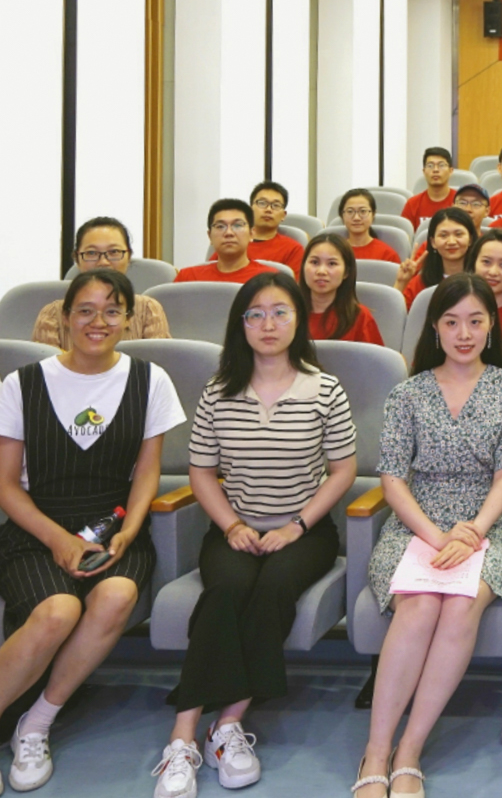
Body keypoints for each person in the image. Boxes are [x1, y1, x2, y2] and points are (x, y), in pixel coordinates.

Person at [0, 269, 185, 798]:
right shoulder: (23, 383)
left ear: (128, 319)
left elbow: (147, 473)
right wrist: (58, 539)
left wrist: (130, 529)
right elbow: (4, 485)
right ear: (64, 318)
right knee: (58, 611)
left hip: (113, 527)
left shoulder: (150, 379)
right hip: (37, 526)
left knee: (116, 595)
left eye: (112, 311)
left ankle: (36, 724)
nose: (98, 322)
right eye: (85, 310)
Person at [156, 275, 357, 798]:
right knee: (225, 589)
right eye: (256, 314)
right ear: (240, 324)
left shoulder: (324, 389)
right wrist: (233, 525)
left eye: (281, 312)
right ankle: (183, 735)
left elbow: (342, 470)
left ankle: (227, 726)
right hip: (235, 526)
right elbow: (202, 472)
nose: (269, 324)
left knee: (271, 589)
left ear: (299, 321)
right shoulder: (218, 391)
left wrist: (296, 526)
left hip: (305, 531)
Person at [357, 277, 502, 798]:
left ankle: (410, 751)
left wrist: (473, 531)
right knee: (418, 606)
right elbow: (393, 480)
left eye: (475, 321)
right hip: (416, 525)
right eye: (452, 322)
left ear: (491, 325)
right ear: (434, 327)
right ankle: (376, 751)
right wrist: (437, 536)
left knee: (459, 606)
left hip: (484, 528)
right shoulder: (408, 392)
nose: (464, 333)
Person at [32, 219, 169, 347]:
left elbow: (157, 360)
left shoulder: (148, 310)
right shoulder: (53, 314)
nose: (103, 262)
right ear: (77, 259)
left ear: (129, 257)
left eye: (114, 252)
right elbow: (48, 363)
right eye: (91, 253)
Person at [302, 232, 385, 345]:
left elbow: (374, 356)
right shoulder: (288, 313)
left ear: (346, 272)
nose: (321, 271)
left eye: (332, 264)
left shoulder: (360, 317)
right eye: (314, 262)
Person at [175, 200, 275, 285]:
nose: (229, 233)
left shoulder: (269, 279)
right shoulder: (188, 277)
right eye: (220, 226)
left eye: (237, 225)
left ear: (251, 233)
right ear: (210, 236)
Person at [398, 209, 478, 308]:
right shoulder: (420, 282)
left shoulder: (482, 279)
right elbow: (397, 313)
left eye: (458, 234)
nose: (451, 242)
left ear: (470, 239)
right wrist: (401, 282)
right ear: (433, 242)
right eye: (443, 235)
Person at [241, 182, 305, 271]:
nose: (268, 209)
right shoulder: (233, 243)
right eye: (262, 203)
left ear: (283, 215)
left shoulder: (293, 249)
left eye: (276, 205)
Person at [339, 188, 403, 264]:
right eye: (350, 211)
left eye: (363, 211)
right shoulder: (335, 251)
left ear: (373, 214)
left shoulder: (387, 254)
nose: (356, 218)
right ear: (342, 215)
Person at [400, 147, 457, 230]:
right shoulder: (412, 204)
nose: (435, 170)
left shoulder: (459, 202)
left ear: (451, 171)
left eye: (441, 165)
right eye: (430, 166)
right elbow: (406, 234)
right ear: (424, 171)